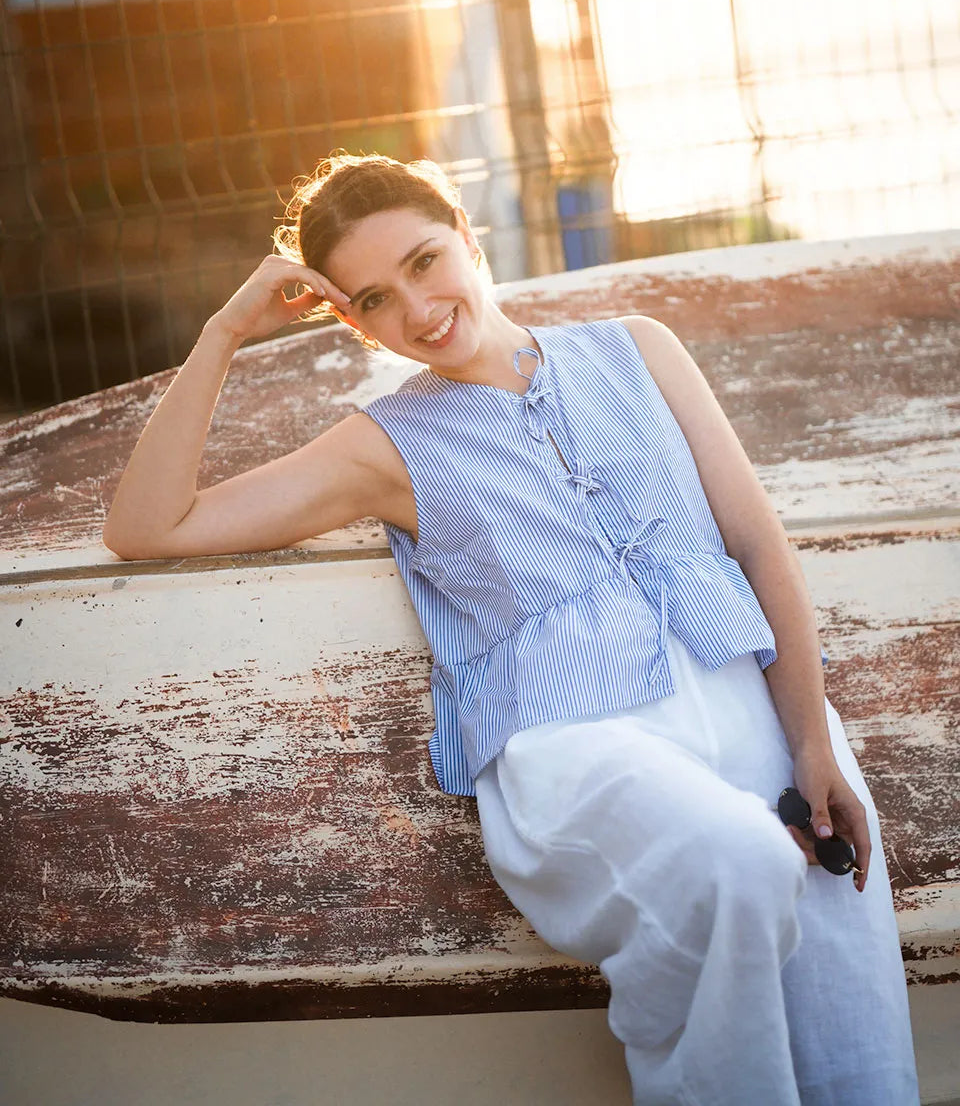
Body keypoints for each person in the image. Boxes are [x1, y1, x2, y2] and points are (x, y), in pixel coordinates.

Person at [102, 153, 921, 1105]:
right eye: (371, 299)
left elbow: (755, 541)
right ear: (347, 319)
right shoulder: (383, 445)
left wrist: (813, 738)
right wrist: (225, 330)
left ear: (464, 230)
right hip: (582, 751)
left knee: (851, 1037)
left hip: (757, 713)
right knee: (736, 865)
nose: (414, 310)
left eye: (423, 261)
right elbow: (147, 525)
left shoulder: (638, 349)